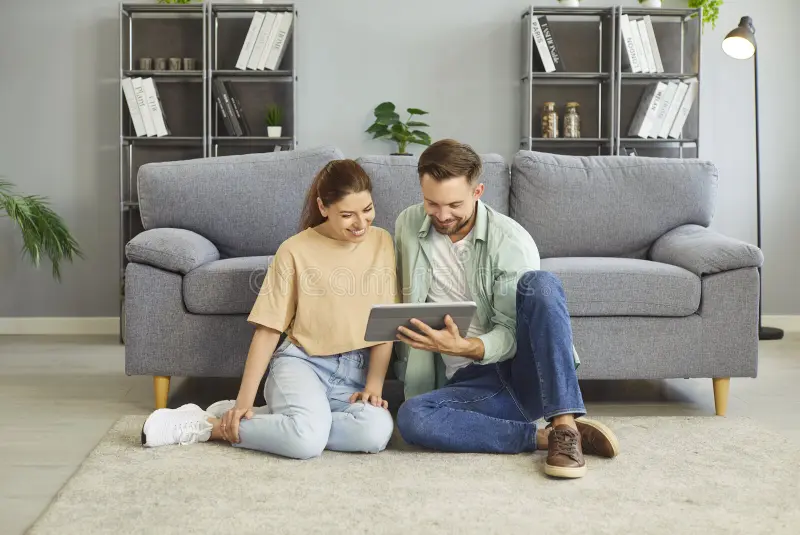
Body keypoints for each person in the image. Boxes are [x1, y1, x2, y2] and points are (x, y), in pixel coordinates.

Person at [392, 139, 620, 479]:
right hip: (469, 387)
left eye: (454, 204)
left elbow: (513, 334)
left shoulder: (510, 240)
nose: (442, 215)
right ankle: (543, 438)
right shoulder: (408, 224)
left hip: (520, 373)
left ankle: (565, 425)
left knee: (540, 284)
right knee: (412, 418)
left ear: (478, 191)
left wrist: (465, 346)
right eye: (431, 203)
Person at [141, 159, 397, 459]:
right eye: (347, 215)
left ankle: (288, 421)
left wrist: (374, 385)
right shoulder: (295, 249)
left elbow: (385, 323)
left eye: (367, 210)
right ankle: (211, 426)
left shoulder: (382, 241)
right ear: (323, 207)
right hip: (303, 365)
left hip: (354, 373)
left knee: (375, 431)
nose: (361, 224)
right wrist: (243, 401)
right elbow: (268, 329)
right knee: (306, 443)